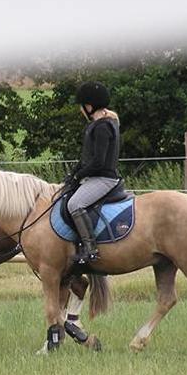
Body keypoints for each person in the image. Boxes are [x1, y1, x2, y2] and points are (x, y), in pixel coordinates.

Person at [64, 81, 121, 265]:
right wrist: (73, 174)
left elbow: (98, 162)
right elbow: (86, 159)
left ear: (89, 106)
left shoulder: (102, 127)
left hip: (103, 178)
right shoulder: (99, 124)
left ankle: (91, 250)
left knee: (75, 204)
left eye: (82, 106)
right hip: (96, 176)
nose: (81, 110)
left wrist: (79, 175)